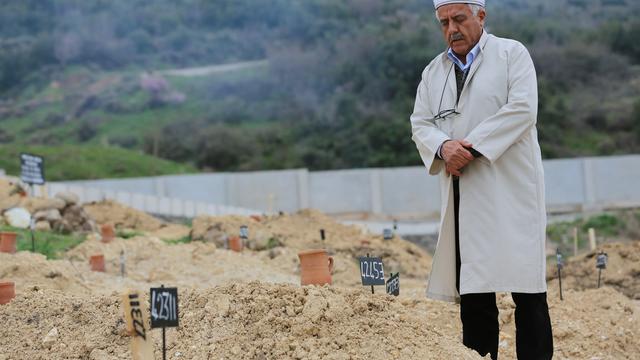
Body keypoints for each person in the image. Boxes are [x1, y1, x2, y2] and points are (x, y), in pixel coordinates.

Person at [409, 1, 553, 359]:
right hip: (464, 195)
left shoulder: (511, 54)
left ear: (480, 17)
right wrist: (443, 147)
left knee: (528, 294)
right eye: (444, 22)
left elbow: (522, 109)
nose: (451, 29)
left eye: (459, 19)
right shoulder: (433, 72)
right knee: (474, 297)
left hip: (510, 192)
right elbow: (420, 124)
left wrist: (468, 150)